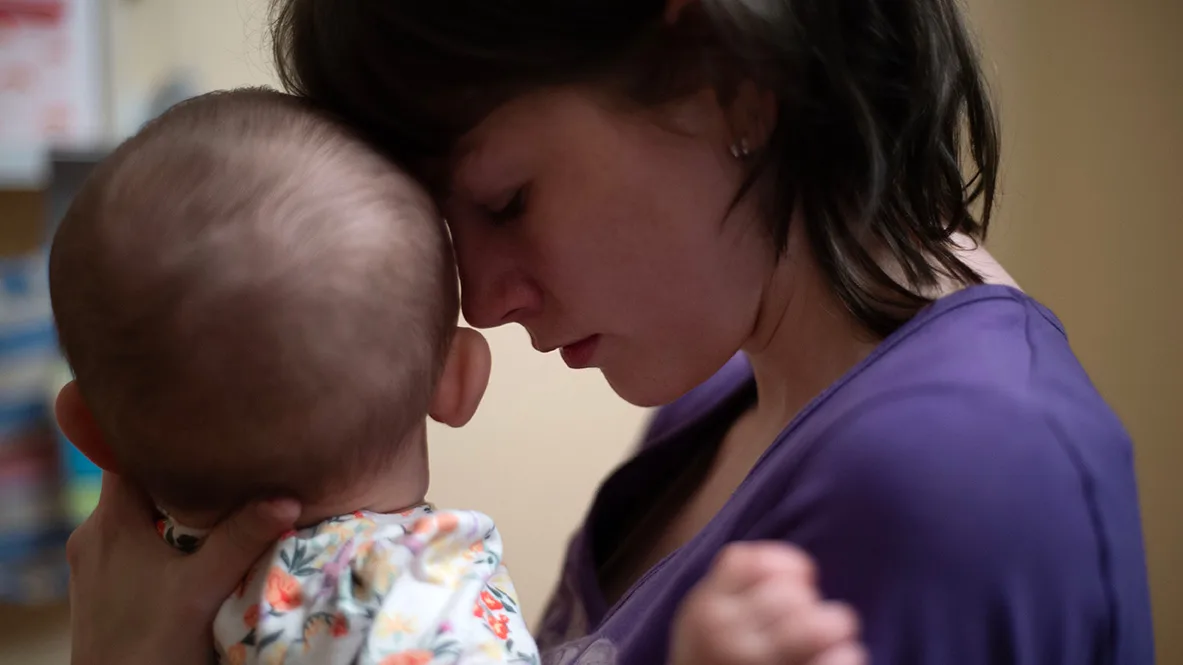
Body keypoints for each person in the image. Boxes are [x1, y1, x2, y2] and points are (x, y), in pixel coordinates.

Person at [65, 1, 1156, 664]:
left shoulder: (962, 477)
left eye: (505, 200)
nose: (478, 301)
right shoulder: (723, 390)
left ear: (728, 79)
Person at [53, 87, 862, 665]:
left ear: (88, 430)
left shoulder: (167, 604)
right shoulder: (398, 603)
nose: (487, 294)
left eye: (506, 201)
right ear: (458, 377)